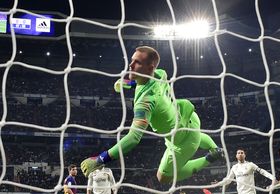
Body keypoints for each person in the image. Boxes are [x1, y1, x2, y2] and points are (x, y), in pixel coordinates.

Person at [81, 46, 224, 183]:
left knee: (163, 177)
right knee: (194, 132)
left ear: (150, 68)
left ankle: (210, 158)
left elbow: (133, 139)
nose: (130, 65)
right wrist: (128, 83)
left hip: (183, 142)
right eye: (132, 60)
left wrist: (100, 159)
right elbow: (146, 79)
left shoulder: (145, 102)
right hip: (189, 116)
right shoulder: (160, 73)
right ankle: (214, 146)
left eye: (137, 62)